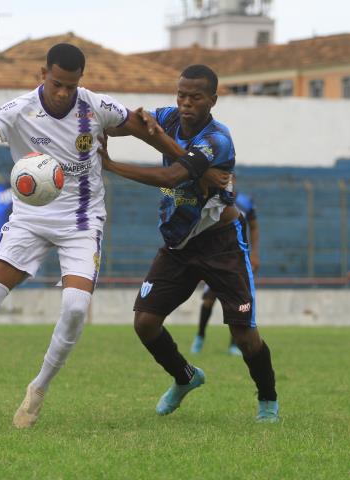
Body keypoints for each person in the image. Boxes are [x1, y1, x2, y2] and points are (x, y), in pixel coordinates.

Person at [0, 43, 216, 429]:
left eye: (71, 86)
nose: (63, 93)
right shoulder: (18, 111)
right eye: (57, 83)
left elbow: (146, 129)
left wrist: (190, 164)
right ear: (42, 75)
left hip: (81, 222)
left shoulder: (95, 107)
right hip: (30, 220)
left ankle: (38, 390)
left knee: (76, 308)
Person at [99, 64, 279, 422]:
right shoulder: (167, 117)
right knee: (145, 323)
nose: (185, 103)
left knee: (245, 337)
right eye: (181, 95)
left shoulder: (217, 139)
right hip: (179, 242)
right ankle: (185, 377)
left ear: (212, 99)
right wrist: (109, 123)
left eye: (195, 97)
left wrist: (111, 164)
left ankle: (268, 400)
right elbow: (133, 125)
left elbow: (170, 175)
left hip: (222, 242)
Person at [192, 180, 260, 356]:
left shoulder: (245, 202)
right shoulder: (214, 200)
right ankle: (200, 336)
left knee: (238, 302)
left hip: (237, 258)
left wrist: (255, 253)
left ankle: (234, 345)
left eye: (231, 177)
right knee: (209, 299)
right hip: (215, 257)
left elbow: (253, 226)